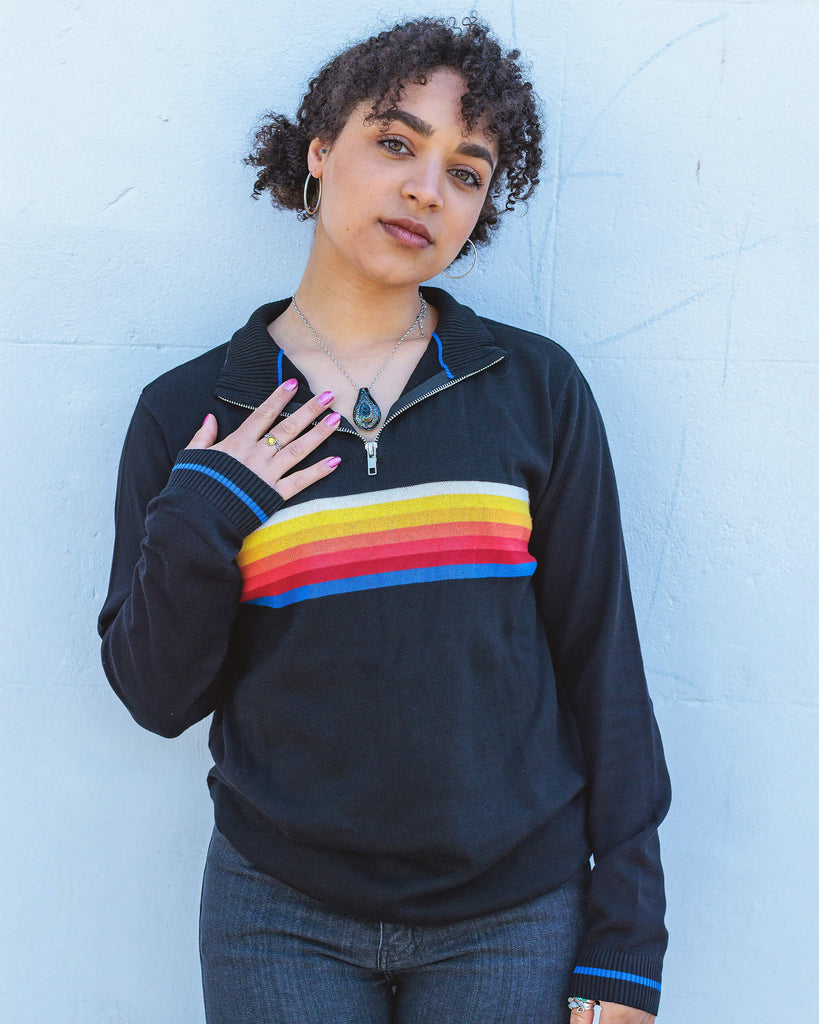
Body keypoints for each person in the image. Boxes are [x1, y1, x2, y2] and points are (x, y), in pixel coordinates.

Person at [98, 15, 670, 1024]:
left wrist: (626, 943)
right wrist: (206, 512)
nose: (426, 189)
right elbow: (156, 694)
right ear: (320, 153)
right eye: (396, 143)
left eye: (468, 170)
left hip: (514, 911)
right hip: (278, 911)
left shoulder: (532, 390)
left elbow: (602, 665)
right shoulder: (192, 411)